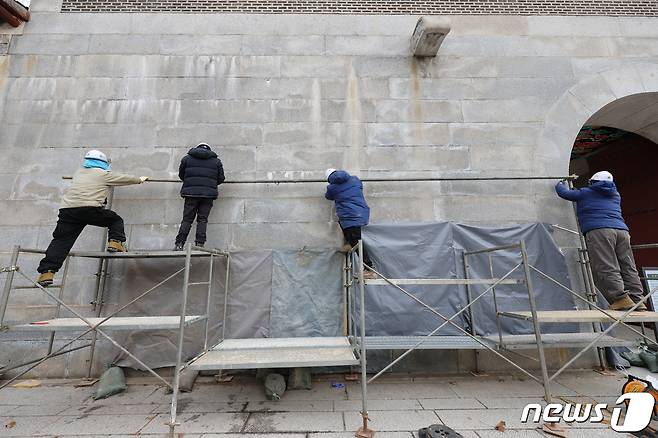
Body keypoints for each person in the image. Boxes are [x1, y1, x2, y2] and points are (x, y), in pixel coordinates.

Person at [37, 150, 149, 286]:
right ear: (102, 163)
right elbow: (123, 178)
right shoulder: (103, 174)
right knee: (115, 220)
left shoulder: (78, 173)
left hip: (68, 211)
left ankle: (47, 272)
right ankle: (115, 242)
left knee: (61, 241)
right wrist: (139, 180)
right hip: (89, 209)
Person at [555, 171, 646, 311]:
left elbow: (564, 193)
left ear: (593, 182)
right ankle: (638, 299)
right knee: (628, 265)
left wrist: (560, 183)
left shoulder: (586, 192)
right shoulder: (615, 195)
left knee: (607, 265)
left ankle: (621, 298)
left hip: (600, 231)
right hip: (622, 231)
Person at [324, 168, 375, 278]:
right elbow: (360, 186)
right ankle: (348, 244)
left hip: (350, 216)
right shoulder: (355, 180)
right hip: (361, 212)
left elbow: (328, 196)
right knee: (344, 227)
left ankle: (369, 269)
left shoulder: (332, 188)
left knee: (357, 242)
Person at [174, 143, 225, 250]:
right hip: (208, 195)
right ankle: (199, 244)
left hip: (190, 194)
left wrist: (190, 183)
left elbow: (181, 175)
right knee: (202, 220)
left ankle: (179, 244)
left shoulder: (187, 159)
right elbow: (221, 178)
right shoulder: (216, 161)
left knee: (187, 219)